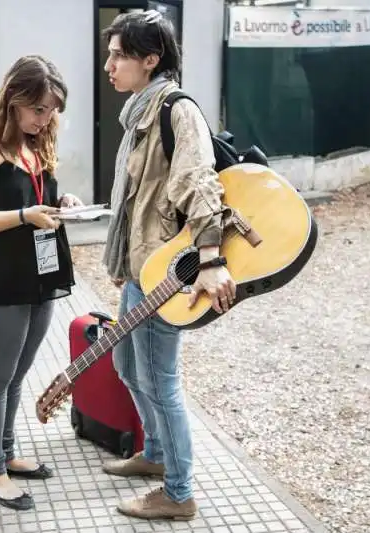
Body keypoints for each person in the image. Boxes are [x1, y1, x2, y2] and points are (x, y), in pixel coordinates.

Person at [99, 11, 236, 521]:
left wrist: (211, 260)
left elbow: (200, 183)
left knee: (160, 379)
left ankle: (178, 493)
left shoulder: (176, 110)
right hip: (140, 268)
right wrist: (122, 257)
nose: (109, 64)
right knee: (127, 366)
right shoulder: (141, 110)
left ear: (150, 60)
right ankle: (156, 455)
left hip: (165, 274)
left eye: (119, 55)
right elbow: (139, 197)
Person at [0, 55, 84, 511]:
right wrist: (25, 216)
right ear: (14, 100)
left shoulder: (34, 140)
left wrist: (58, 200)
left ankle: (6, 452)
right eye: (39, 109)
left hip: (39, 273)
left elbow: (35, 194)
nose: (45, 119)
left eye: (51, 111)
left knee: (16, 374)